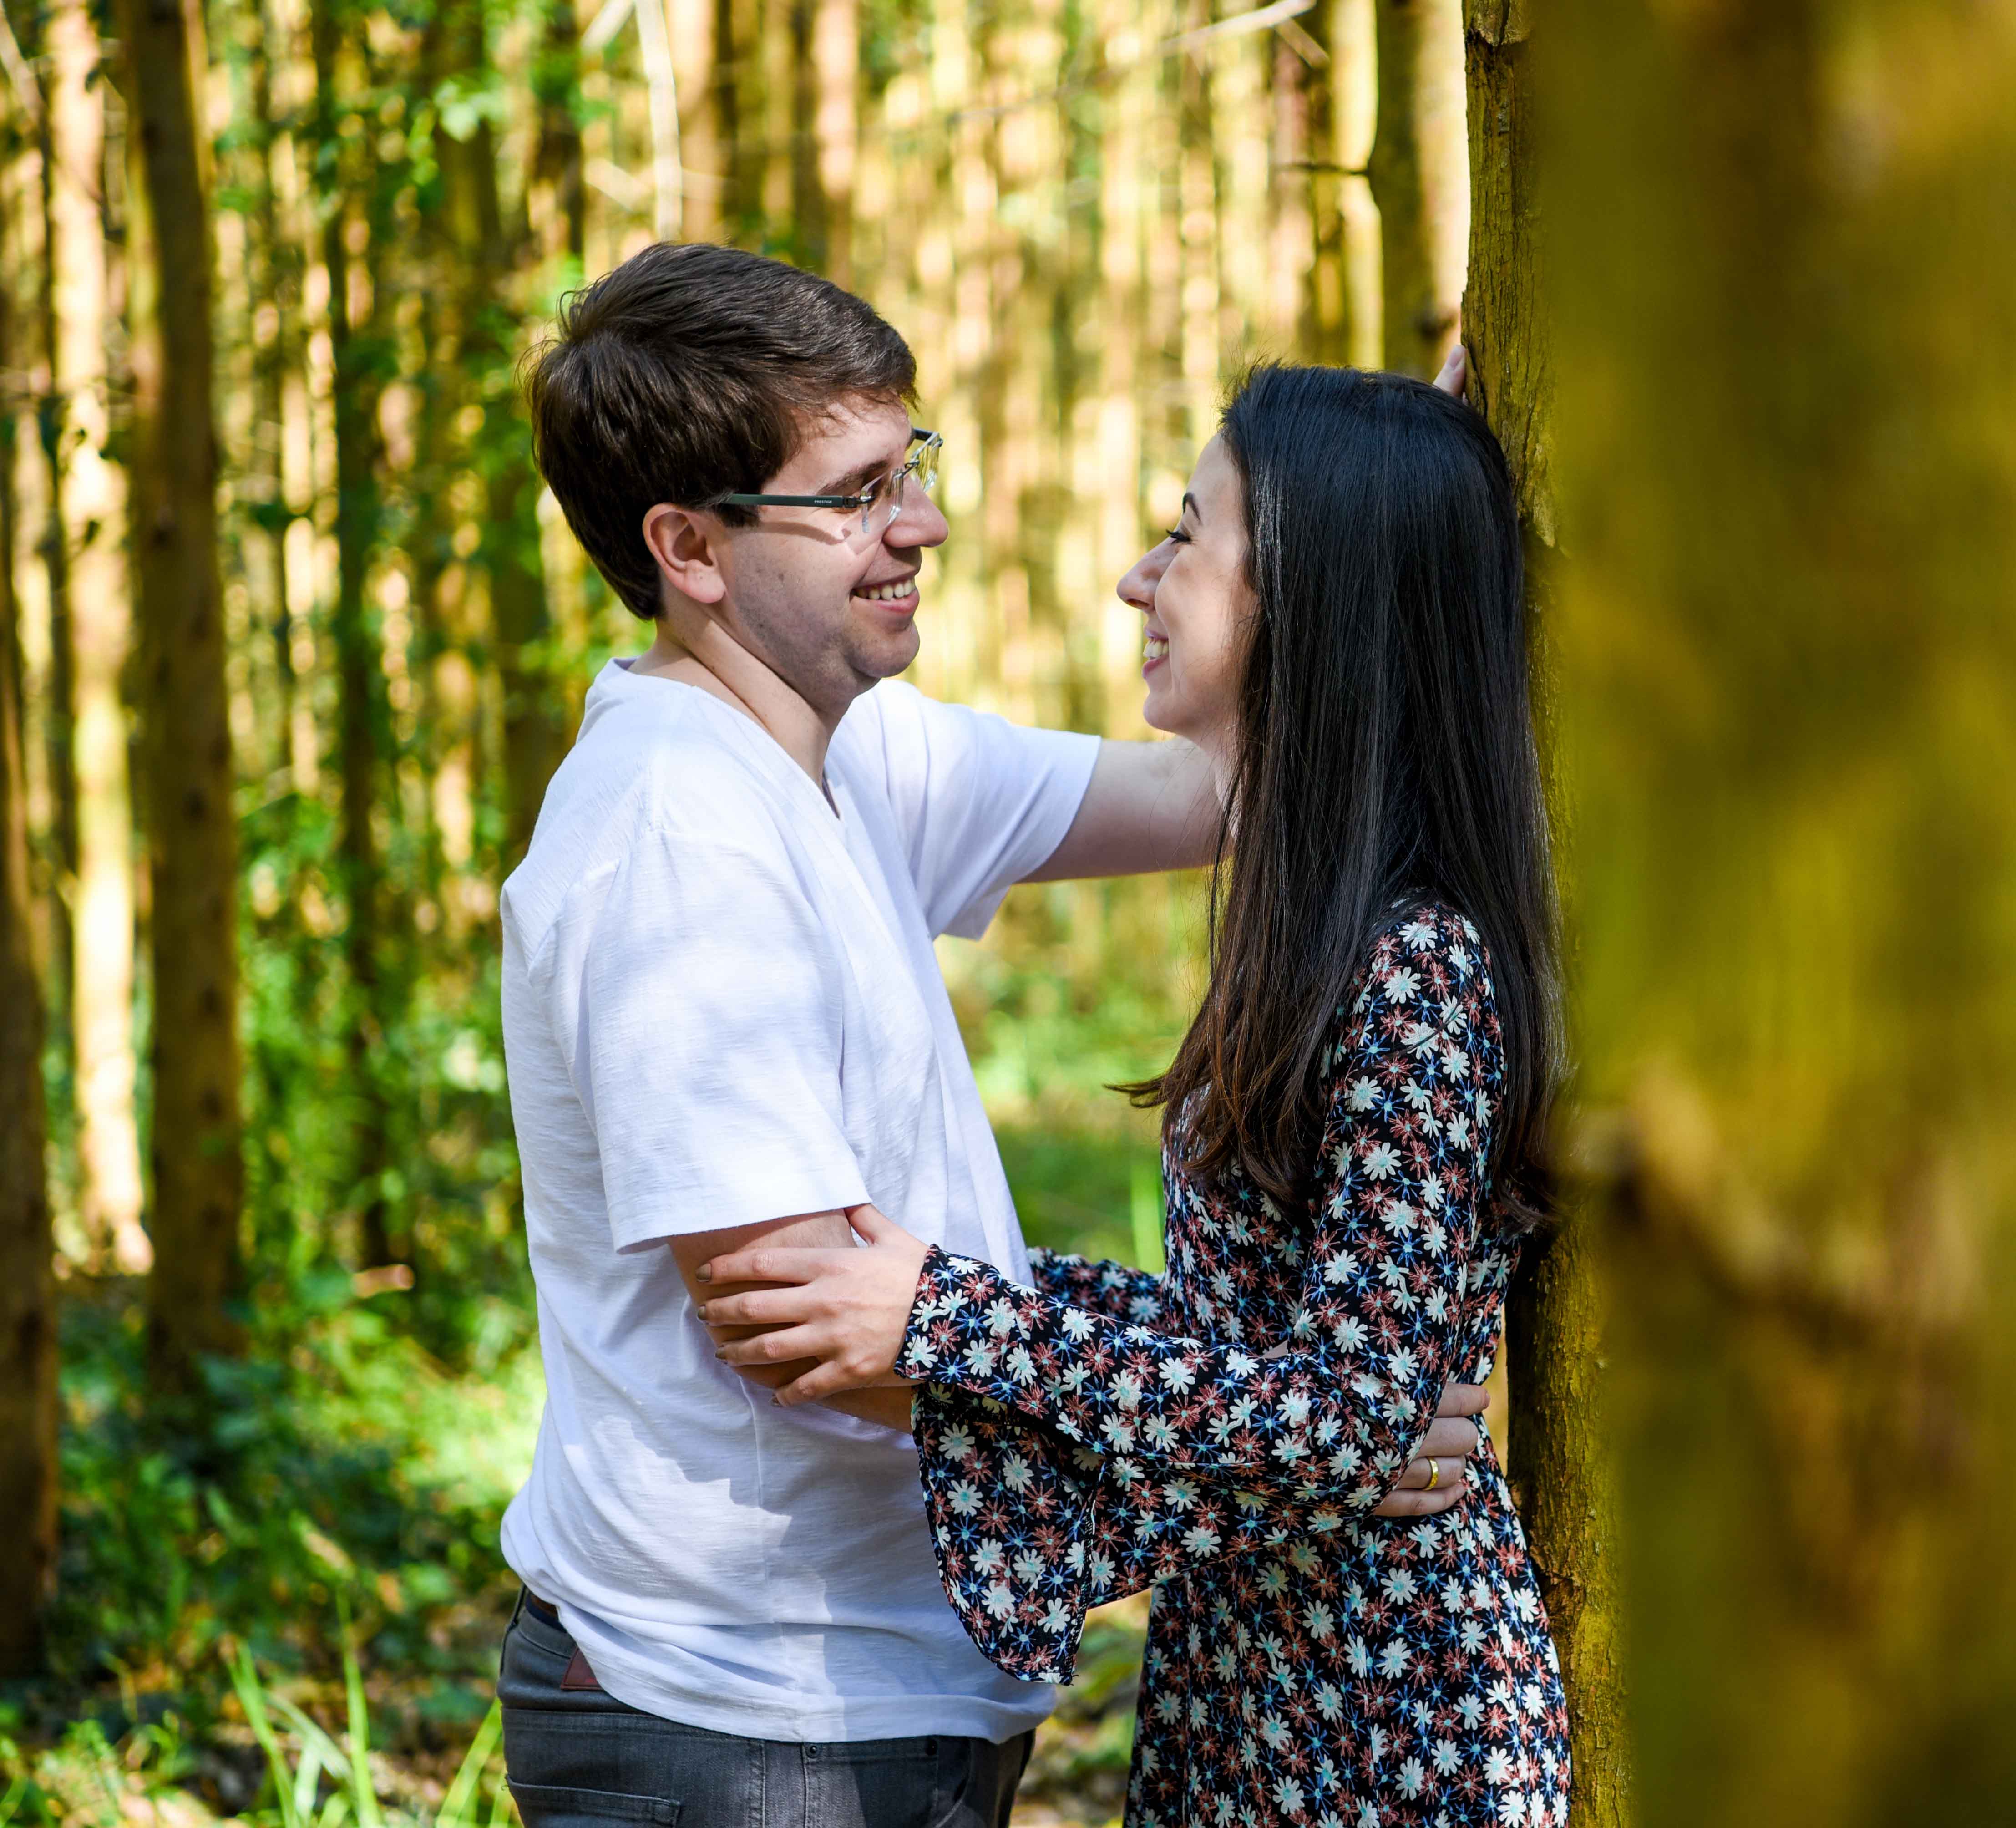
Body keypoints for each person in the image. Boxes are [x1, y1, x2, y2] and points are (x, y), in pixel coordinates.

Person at [493, 246, 1479, 1828]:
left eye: (915, 465)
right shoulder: (680, 840)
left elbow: (1244, 777)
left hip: (873, 1686)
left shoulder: (855, 751)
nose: (925, 525)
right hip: (746, 1722)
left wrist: (1379, 528)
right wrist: (1305, 1436)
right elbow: (819, 1335)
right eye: (858, 495)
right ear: (689, 547)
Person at [694, 363, 1570, 1827]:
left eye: (1186, 535)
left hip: (1389, 1725)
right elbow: (1289, 1371)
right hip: (1256, 1673)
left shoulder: (1417, 966)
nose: (1134, 580)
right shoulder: (1315, 928)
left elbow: (1348, 1418)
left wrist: (952, 1322)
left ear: (1311, 596)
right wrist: (971, 1303)